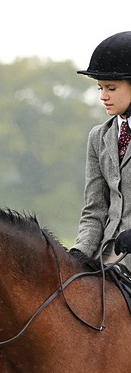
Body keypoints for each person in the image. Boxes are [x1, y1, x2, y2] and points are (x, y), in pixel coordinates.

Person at [76, 32, 131, 264]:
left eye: (111, 88)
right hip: (108, 254)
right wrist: (78, 253)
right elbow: (94, 209)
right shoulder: (98, 137)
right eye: (100, 88)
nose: (103, 96)